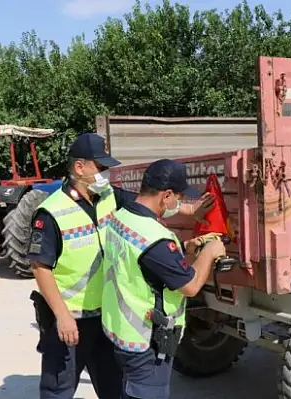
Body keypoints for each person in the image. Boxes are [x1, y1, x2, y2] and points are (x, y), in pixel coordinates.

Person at [25, 134, 213, 399]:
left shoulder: (108, 197)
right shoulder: (51, 212)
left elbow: (145, 203)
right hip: (70, 319)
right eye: (100, 168)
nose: (106, 174)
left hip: (105, 316)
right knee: (58, 390)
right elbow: (39, 267)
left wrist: (190, 212)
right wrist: (62, 315)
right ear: (80, 167)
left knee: (113, 388)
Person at [100, 158, 227, 399]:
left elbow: (146, 264)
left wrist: (186, 249)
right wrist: (209, 254)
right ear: (165, 195)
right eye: (178, 197)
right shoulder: (155, 238)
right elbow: (189, 286)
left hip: (120, 331)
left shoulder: (121, 217)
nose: (179, 203)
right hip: (145, 342)